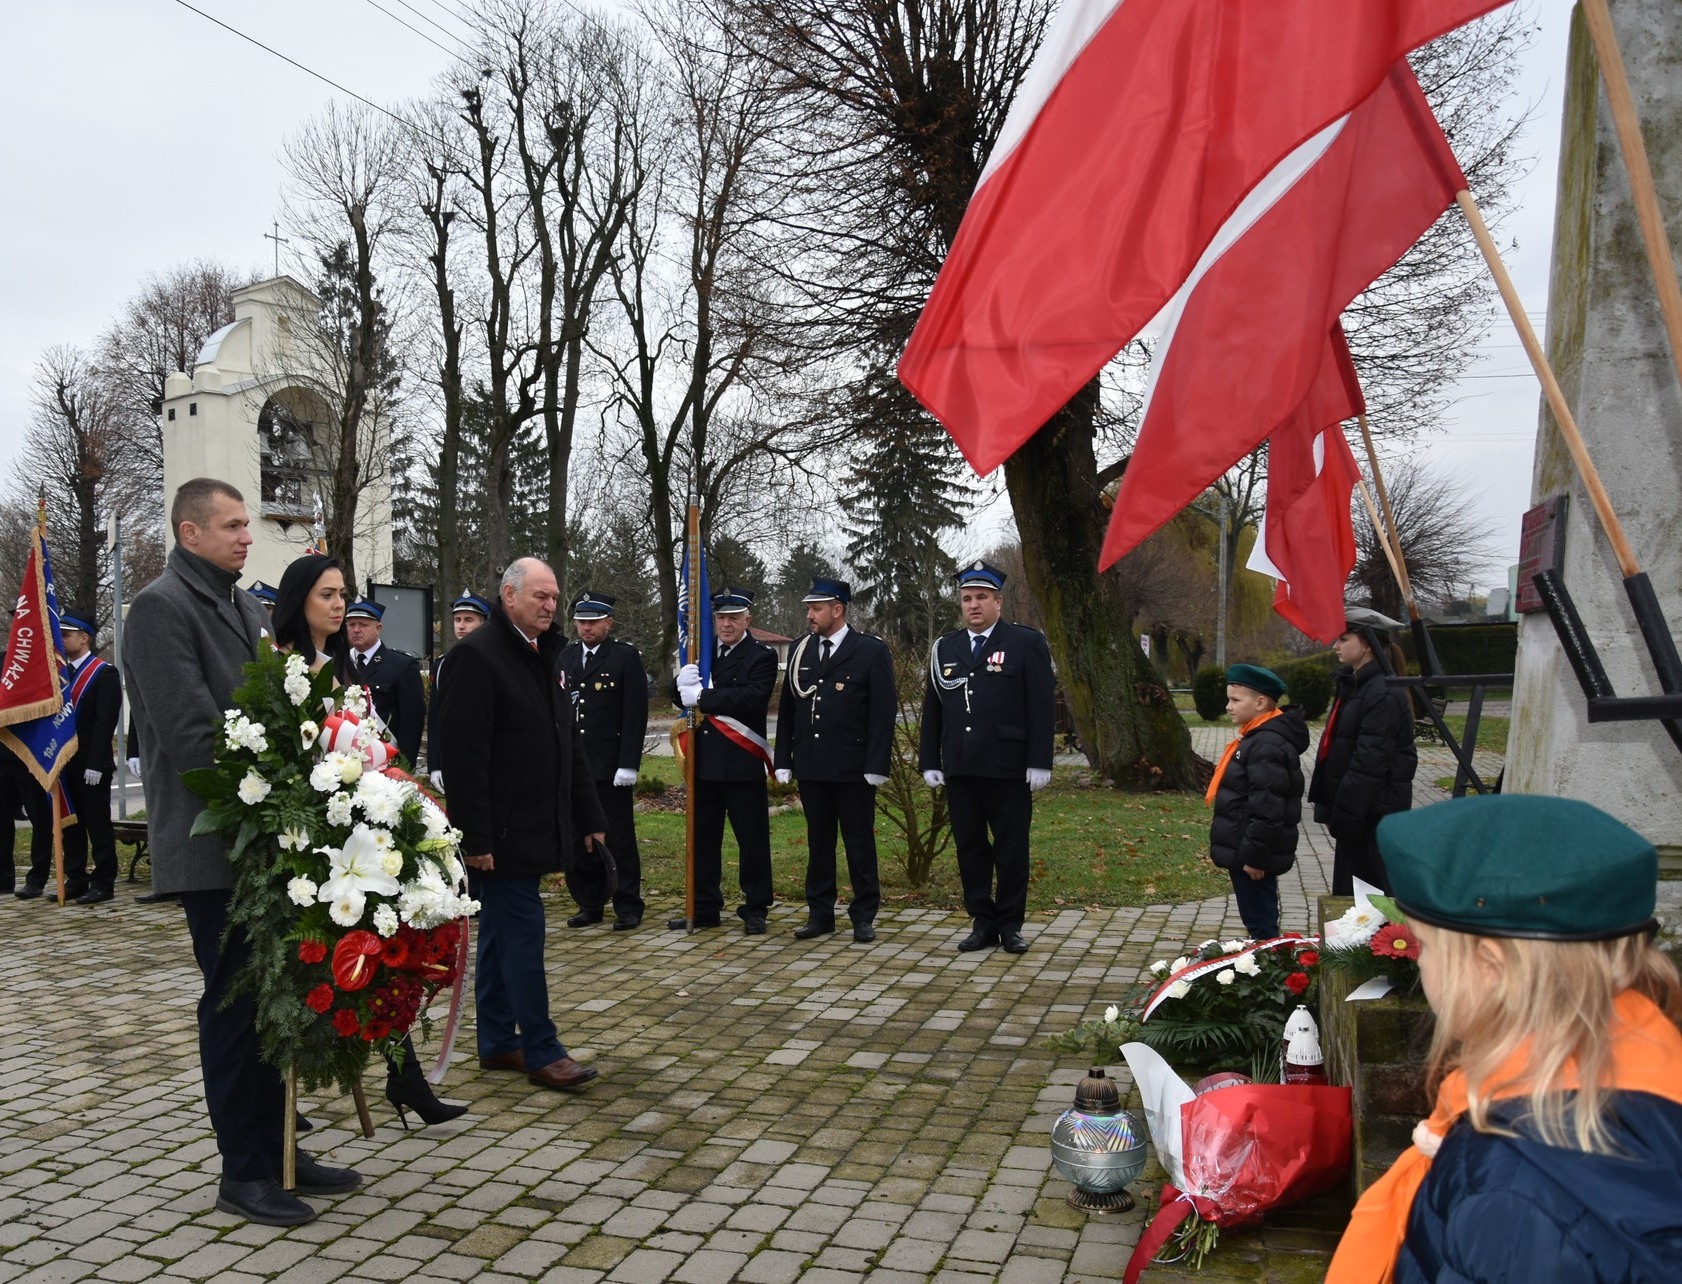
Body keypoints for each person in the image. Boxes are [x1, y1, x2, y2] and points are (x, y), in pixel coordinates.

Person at [125, 478, 361, 1227]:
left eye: (244, 525)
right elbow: (192, 735)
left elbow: (278, 704)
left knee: (275, 1002)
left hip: (270, 838)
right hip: (214, 841)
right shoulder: (160, 609)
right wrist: (286, 783)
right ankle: (244, 1169)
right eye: (230, 526)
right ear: (189, 533)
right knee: (234, 1005)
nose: (245, 536)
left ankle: (282, 1143)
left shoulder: (244, 603)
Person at [1329, 795, 1682, 1283]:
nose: (1420, 963)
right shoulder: (1645, 1064)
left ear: (1490, 967)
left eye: (1426, 947)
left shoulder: (1511, 1190)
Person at [270, 554, 468, 1130]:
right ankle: (280, 1090)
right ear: (299, 598)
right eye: (328, 595)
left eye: (342, 595)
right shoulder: (280, 666)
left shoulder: (335, 667)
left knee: (387, 948)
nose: (338, 606)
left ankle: (404, 1076)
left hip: (357, 825)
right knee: (313, 964)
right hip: (307, 834)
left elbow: (370, 742)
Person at [435, 557, 607, 1093]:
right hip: (501, 834)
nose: (550, 606)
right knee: (523, 937)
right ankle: (541, 1049)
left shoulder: (544, 654)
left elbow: (567, 744)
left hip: (539, 821)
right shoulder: (476, 656)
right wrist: (476, 838)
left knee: (500, 938)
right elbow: (466, 759)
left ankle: (496, 1042)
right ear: (508, 595)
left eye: (554, 597)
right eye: (540, 596)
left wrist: (589, 817)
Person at [919, 561, 1055, 954]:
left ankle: (1011, 924)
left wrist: (1040, 760)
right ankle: (982, 922)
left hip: (1009, 768)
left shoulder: (1025, 643)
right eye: (966, 599)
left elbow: (1041, 706)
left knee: (1011, 849)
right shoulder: (946, 647)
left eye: (981, 598)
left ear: (998, 601)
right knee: (971, 848)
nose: (973, 605)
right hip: (961, 767)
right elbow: (934, 708)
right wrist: (930, 759)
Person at [774, 577, 895, 944]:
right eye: (809, 609)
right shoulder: (800, 650)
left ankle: (863, 915)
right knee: (819, 842)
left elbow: (882, 712)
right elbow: (789, 710)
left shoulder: (869, 650)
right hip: (812, 764)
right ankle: (820, 913)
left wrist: (877, 764)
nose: (810, 615)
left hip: (853, 767)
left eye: (817, 609)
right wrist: (784, 758)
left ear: (838, 610)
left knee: (859, 843)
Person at [672, 586, 777, 935]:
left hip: (741, 761)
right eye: (720, 617)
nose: (726, 623)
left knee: (752, 841)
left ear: (748, 618)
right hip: (704, 763)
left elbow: (752, 698)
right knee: (702, 840)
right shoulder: (701, 652)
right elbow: (682, 698)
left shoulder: (760, 656)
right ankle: (704, 906)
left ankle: (756, 907)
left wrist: (702, 694)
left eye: (734, 617)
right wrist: (680, 684)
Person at [1308, 612, 1418, 894]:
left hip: (1372, 813)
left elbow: (1369, 762)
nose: (1336, 646)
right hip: (1358, 812)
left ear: (1367, 644)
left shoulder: (1380, 692)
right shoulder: (1355, 685)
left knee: (1371, 896)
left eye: (1343, 639)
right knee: (1352, 895)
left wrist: (1346, 813)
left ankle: (1378, 941)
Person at [559, 590, 648, 931]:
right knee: (579, 838)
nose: (586, 628)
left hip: (610, 767)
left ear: (608, 622)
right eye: (581, 621)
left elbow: (634, 714)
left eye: (593, 622)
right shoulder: (564, 658)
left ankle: (628, 904)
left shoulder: (624, 658)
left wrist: (629, 763)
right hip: (573, 766)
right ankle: (589, 901)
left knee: (619, 837)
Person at [1204, 664, 1307, 941]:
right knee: (1257, 918)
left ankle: (1271, 969)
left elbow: (1268, 808)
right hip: (1245, 847)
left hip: (1251, 854)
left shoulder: (1266, 746)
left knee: (1261, 923)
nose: (1228, 706)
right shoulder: (1257, 739)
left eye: (1236, 700)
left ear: (1260, 703)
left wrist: (1254, 857)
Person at [57, 612, 122, 905]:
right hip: (65, 761)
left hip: (91, 764)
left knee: (97, 823)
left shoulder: (104, 673)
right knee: (70, 822)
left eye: (67, 633)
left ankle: (104, 882)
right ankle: (76, 878)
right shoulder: (60, 675)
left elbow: (105, 722)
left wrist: (96, 762)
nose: (62, 638)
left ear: (85, 638)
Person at [344, 599, 425, 768]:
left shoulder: (402, 665)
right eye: (351, 624)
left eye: (363, 625)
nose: (356, 630)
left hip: (385, 759)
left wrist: (404, 767)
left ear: (378, 628)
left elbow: (411, 723)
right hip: (344, 757)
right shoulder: (339, 663)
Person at [425, 591, 489, 789]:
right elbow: (436, 717)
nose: (461, 626)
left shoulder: (496, 662)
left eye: (468, 620)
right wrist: (435, 765)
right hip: (452, 760)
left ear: (484, 623)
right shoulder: (443, 664)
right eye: (457, 619)